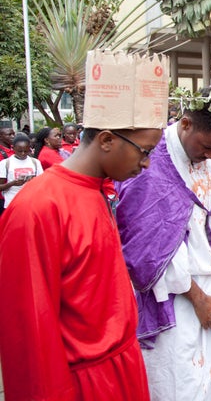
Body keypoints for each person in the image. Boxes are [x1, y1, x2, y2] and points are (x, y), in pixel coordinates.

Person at [0, 51, 169, 400]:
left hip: (121, 366)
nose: (148, 164)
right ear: (106, 140)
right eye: (144, 151)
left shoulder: (99, 190)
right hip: (82, 384)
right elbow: (29, 333)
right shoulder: (37, 207)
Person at [116, 85, 211, 401]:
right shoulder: (149, 162)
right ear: (186, 124)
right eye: (206, 147)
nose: (210, 156)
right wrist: (197, 297)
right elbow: (145, 246)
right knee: (181, 383)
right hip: (173, 293)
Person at [0, 133, 43, 208]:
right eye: (20, 151)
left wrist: (33, 180)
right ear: (13, 148)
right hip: (12, 203)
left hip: (31, 202)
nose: (23, 153)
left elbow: (42, 182)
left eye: (26, 151)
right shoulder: (5, 163)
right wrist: (12, 183)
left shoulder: (35, 162)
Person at [0, 124, 15, 217]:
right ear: (0, 136)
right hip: (3, 197)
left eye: (13, 134)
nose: (13, 136)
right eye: (9, 135)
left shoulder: (15, 150)